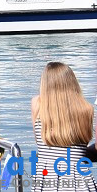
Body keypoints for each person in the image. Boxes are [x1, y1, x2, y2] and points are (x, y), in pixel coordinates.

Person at [30, 61, 96, 191]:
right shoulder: (87, 109)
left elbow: (40, 141)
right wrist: (76, 152)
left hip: (47, 178)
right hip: (80, 180)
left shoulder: (37, 104)